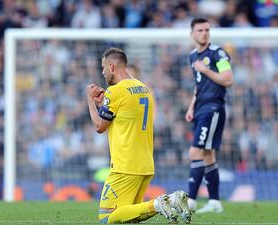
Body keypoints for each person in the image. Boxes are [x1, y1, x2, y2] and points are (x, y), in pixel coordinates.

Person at [86, 47, 191, 224]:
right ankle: (171, 201)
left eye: (103, 67)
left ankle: (158, 203)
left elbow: (99, 126)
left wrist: (90, 100)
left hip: (125, 165)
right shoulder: (143, 88)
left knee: (107, 217)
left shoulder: (115, 91)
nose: (102, 72)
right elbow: (124, 113)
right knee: (131, 217)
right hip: (145, 164)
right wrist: (105, 103)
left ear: (112, 66)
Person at [185, 18, 234, 213]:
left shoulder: (217, 53)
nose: (204, 33)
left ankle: (190, 201)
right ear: (192, 34)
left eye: (207, 30)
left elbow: (228, 79)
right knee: (208, 155)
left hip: (213, 108)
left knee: (195, 152)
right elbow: (198, 86)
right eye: (200, 30)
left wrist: (206, 69)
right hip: (200, 108)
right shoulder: (192, 56)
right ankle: (214, 202)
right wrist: (191, 107)